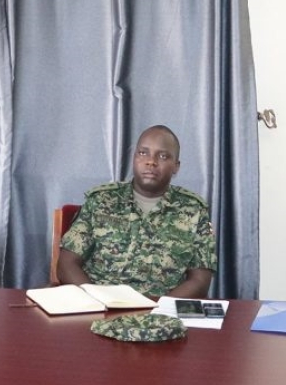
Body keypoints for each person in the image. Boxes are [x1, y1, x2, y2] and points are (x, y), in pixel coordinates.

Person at [57, 125, 216, 298]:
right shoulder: (101, 200)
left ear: (176, 166)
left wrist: (159, 310)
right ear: (134, 158)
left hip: (161, 315)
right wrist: (97, 301)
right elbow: (67, 264)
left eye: (162, 156)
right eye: (143, 153)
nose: (151, 161)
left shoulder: (194, 210)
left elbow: (200, 280)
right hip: (98, 311)